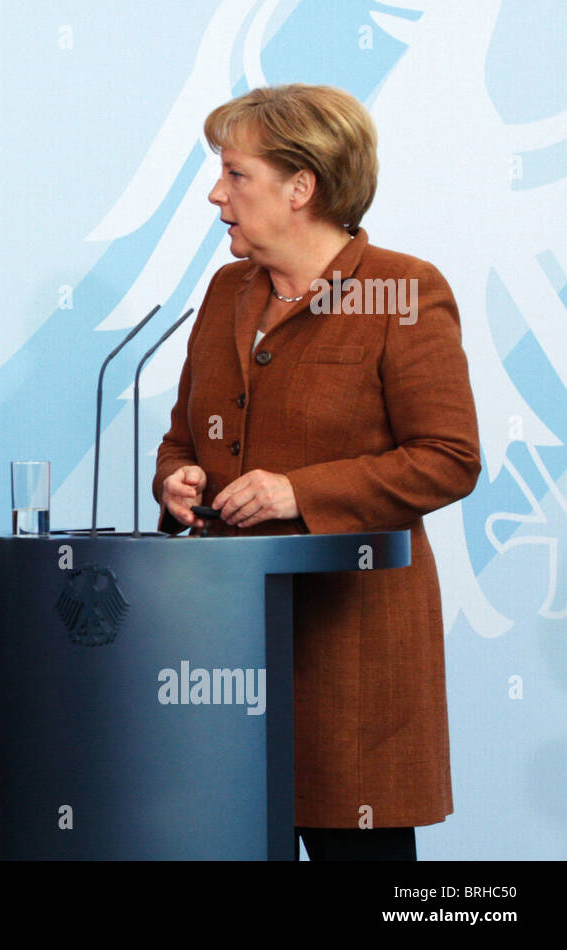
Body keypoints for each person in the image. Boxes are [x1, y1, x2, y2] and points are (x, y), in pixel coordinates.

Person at [153, 84, 480, 860]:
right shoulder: (226, 291)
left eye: (236, 175)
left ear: (302, 187)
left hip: (351, 659)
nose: (215, 194)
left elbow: (449, 458)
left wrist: (297, 492)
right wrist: (177, 482)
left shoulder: (404, 290)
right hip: (224, 654)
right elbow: (181, 440)